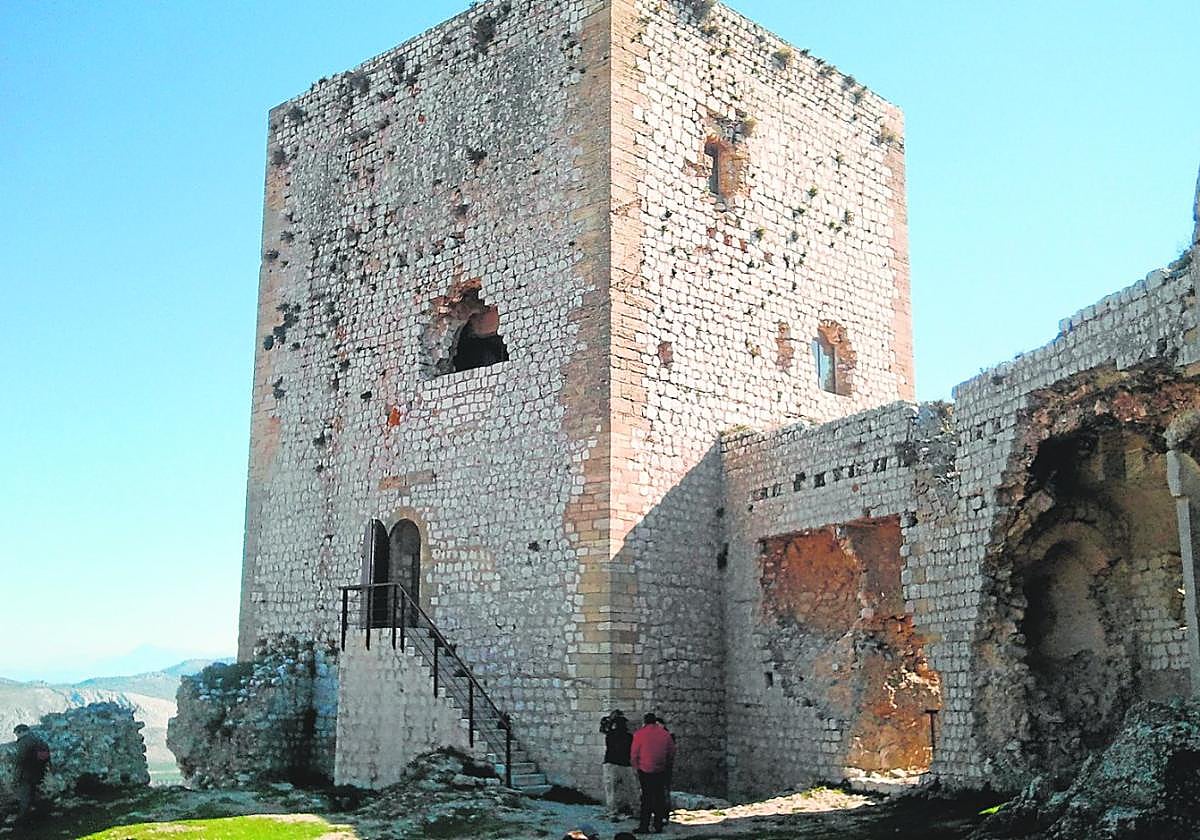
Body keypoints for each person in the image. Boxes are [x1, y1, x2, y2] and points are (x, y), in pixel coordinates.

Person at [629, 713, 675, 834]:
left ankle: (644, 826)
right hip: (660, 769)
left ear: (645, 722)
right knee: (659, 797)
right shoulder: (665, 734)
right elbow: (671, 752)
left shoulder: (639, 734)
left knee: (646, 798)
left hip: (645, 770)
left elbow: (634, 753)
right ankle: (658, 825)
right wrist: (666, 765)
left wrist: (636, 767)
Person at [600, 709, 636, 819]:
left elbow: (603, 729)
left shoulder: (610, 735)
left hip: (611, 764)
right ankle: (635, 809)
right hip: (625, 764)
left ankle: (612, 812)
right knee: (631, 790)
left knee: (611, 790)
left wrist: (608, 721)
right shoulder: (629, 737)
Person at [11, 724, 51, 822]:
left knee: (25, 797)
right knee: (33, 794)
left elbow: (20, 760)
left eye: (17, 734)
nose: (17, 736)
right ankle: (39, 816)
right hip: (38, 772)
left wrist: (16, 778)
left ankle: (22, 819)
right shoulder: (37, 739)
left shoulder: (24, 742)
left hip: (26, 774)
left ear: (21, 732)